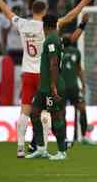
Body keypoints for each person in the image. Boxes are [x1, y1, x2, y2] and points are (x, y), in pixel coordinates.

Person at [0, 0, 96, 158]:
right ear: (45, 10)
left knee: (25, 111)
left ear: (32, 10)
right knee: (46, 111)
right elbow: (70, 17)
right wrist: (83, 2)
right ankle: (44, 147)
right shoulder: (50, 26)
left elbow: (8, 13)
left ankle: (20, 147)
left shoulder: (23, 24)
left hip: (27, 73)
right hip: (44, 75)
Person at [25, 14, 67, 160]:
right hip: (44, 87)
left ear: (44, 26)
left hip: (51, 86)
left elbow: (54, 63)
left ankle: (62, 151)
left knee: (56, 116)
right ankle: (41, 149)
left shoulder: (51, 39)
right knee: (34, 112)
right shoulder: (56, 38)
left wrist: (53, 85)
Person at [61, 14, 96, 146]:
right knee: (63, 112)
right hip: (62, 87)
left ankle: (84, 136)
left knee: (81, 109)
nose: (68, 37)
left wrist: (83, 83)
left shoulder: (76, 52)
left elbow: (79, 69)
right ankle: (64, 138)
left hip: (73, 86)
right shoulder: (57, 50)